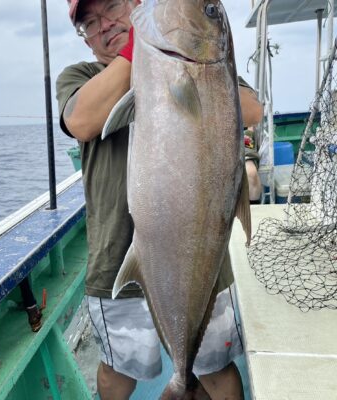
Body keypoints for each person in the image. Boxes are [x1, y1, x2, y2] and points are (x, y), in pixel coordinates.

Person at [56, 1, 263, 399]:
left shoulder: (207, 67)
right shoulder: (81, 76)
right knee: (119, 371)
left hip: (201, 263)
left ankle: (183, 381)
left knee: (216, 369)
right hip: (120, 257)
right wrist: (143, 50)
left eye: (112, 8)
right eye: (90, 24)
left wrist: (189, 65)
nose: (104, 26)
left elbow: (251, 109)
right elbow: (81, 120)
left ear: (135, 6)